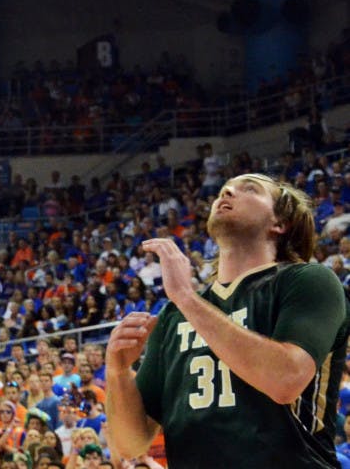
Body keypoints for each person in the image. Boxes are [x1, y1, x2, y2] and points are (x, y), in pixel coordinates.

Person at [105, 173, 350, 469]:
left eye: (250, 188)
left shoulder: (308, 281)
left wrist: (186, 296)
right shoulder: (174, 315)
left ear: (279, 223)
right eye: (224, 189)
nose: (229, 192)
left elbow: (285, 380)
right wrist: (118, 372)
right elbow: (130, 443)